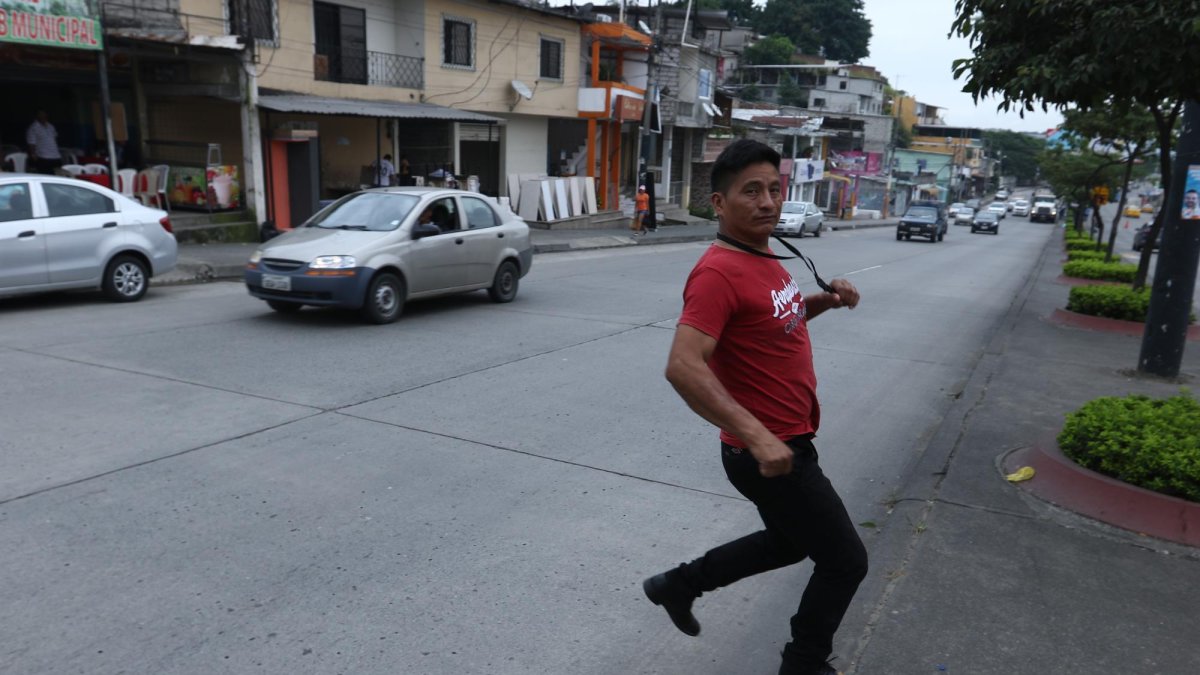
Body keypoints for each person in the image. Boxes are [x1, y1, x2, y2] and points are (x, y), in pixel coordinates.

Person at [643, 139, 867, 675]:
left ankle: (678, 584)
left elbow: (770, 325)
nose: (768, 201)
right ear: (719, 204)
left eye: (774, 189)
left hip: (784, 439)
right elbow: (683, 365)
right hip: (766, 449)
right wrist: (759, 436)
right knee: (845, 561)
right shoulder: (719, 272)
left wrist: (821, 301)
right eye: (751, 191)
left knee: (790, 544)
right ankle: (804, 662)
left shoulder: (766, 254)